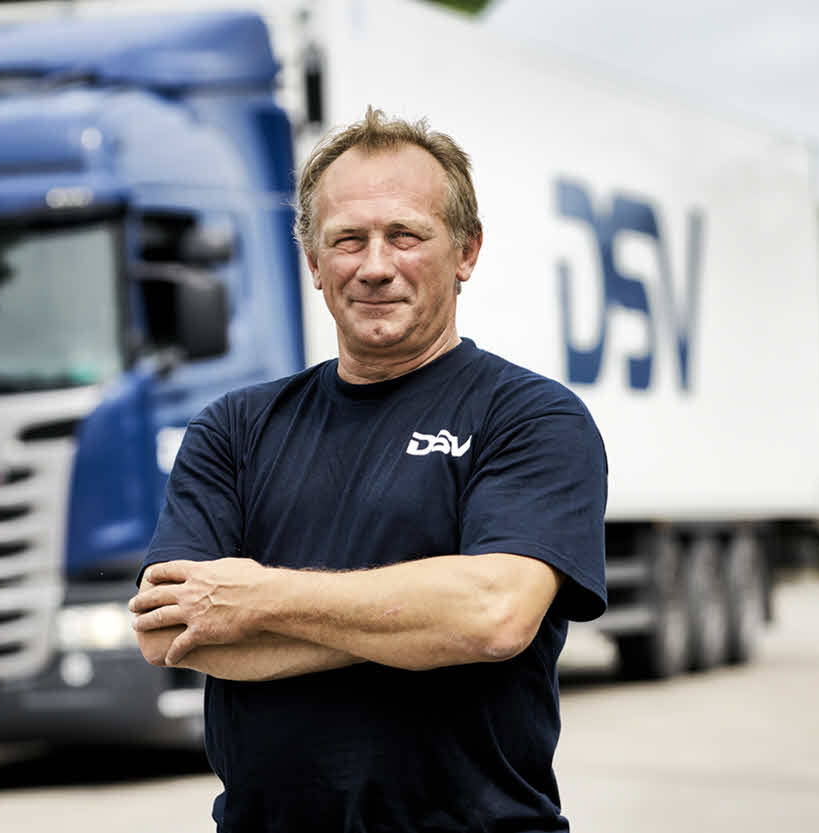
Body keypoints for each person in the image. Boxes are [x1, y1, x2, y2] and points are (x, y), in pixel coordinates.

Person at [129, 107, 608, 833]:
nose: (375, 266)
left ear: (466, 251)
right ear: (315, 263)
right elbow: (169, 631)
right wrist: (415, 621)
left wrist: (254, 599)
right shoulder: (235, 428)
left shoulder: (530, 417)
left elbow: (493, 614)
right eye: (347, 239)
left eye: (406, 235)